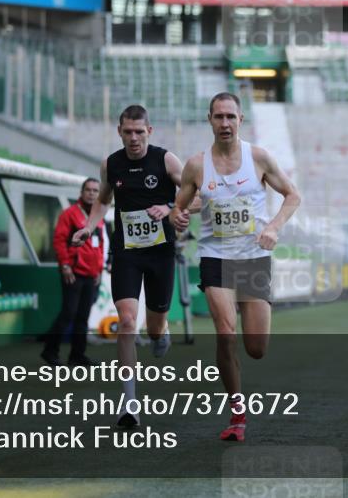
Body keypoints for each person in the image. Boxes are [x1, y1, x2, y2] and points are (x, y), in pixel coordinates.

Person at [170, 92, 300, 442]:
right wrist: (178, 217)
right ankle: (237, 414)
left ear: (241, 120)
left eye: (231, 117)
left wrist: (272, 227)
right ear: (209, 120)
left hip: (253, 257)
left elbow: (293, 195)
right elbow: (179, 207)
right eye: (218, 117)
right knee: (226, 334)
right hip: (215, 256)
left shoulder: (258, 157)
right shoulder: (197, 165)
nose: (225, 123)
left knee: (256, 348)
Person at [72, 105, 191, 429]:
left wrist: (168, 207)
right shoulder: (111, 164)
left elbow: (192, 193)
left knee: (153, 326)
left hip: (161, 253)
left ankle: (160, 331)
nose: (134, 138)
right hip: (126, 252)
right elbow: (104, 200)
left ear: (149, 132)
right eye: (128, 132)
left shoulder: (166, 160)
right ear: (120, 132)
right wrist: (89, 225)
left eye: (140, 132)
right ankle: (130, 404)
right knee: (126, 322)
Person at [42, 177, 107, 367]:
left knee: (83, 317)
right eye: (88, 190)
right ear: (81, 192)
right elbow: (59, 241)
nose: (92, 193)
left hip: (91, 274)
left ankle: (77, 355)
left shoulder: (97, 218)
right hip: (73, 272)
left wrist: (99, 270)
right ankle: (49, 351)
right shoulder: (69, 214)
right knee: (68, 313)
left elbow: (100, 245)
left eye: (96, 191)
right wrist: (65, 265)